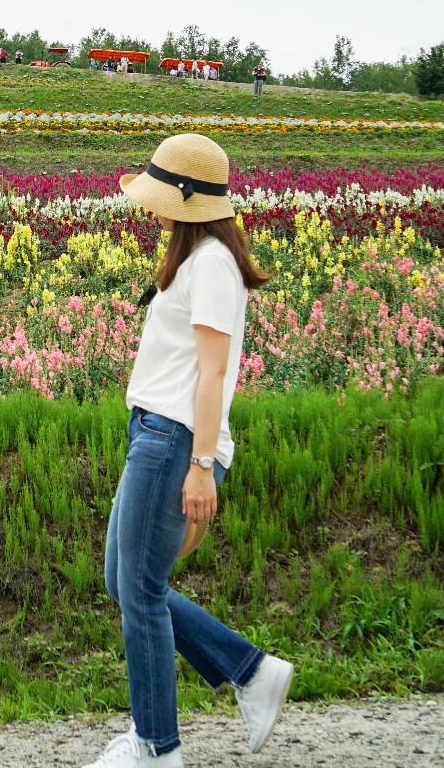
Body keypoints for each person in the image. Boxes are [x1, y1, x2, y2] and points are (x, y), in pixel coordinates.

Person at [92, 133, 293, 767]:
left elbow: (214, 373)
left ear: (186, 200)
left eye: (158, 199)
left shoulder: (211, 265)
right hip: (155, 432)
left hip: (174, 439)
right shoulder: (197, 258)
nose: (149, 211)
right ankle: (250, 671)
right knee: (123, 581)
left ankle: (157, 748)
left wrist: (202, 465)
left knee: (142, 592)